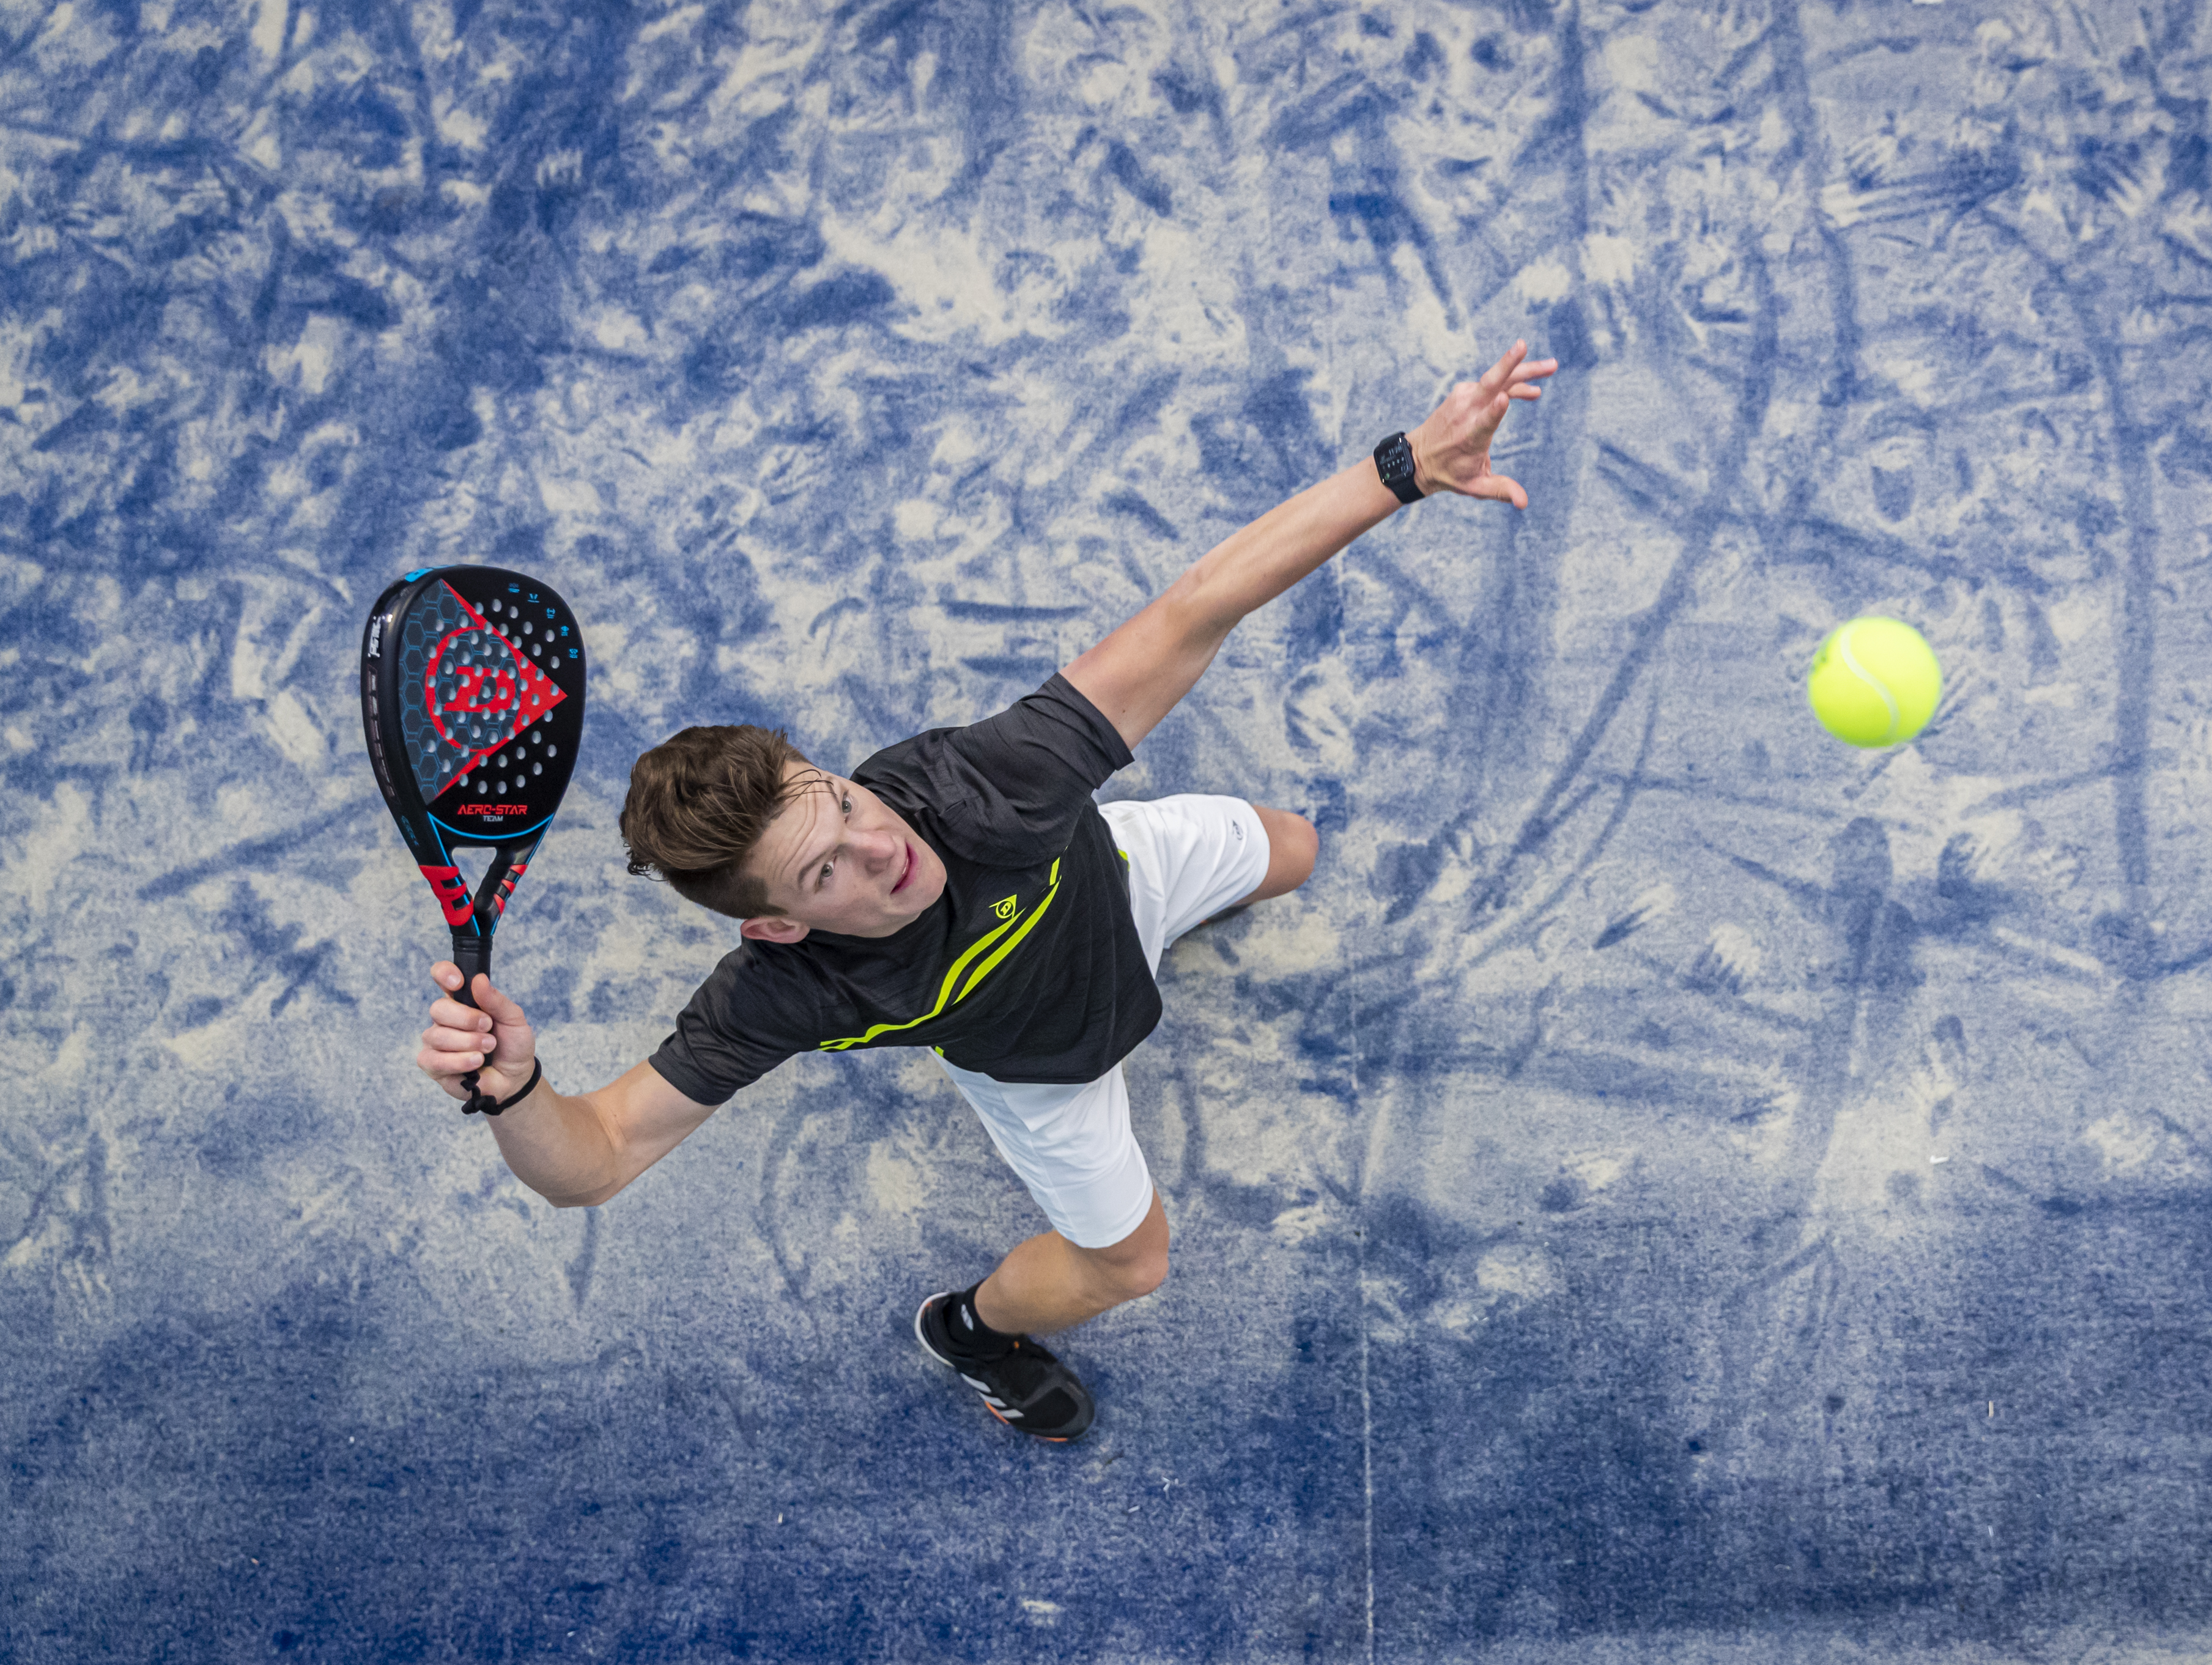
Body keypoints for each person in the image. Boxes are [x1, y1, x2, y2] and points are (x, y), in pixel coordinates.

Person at [413, 341, 1558, 1442]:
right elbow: (599, 1157)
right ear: (778, 923)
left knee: (1294, 850)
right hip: (1044, 1070)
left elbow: (1197, 605)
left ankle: (1164, 926)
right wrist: (514, 1094)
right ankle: (972, 1332)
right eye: (828, 870)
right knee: (1131, 1263)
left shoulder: (984, 784)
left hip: (1119, 877)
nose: (883, 847)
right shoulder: (786, 994)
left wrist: (1403, 468)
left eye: (844, 802)